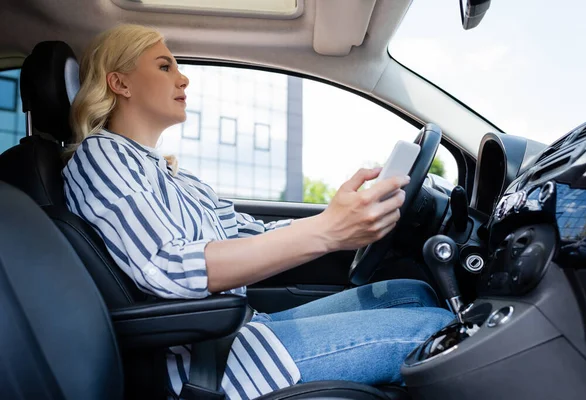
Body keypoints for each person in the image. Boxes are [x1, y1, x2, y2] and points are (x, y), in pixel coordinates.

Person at [63, 24, 454, 400]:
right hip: (210, 362)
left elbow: (248, 233)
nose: (183, 79)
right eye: (165, 66)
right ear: (120, 83)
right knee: (438, 331)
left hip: (241, 332)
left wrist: (344, 215)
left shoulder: (173, 175)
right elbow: (167, 267)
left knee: (410, 293)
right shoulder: (101, 154)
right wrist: (327, 231)